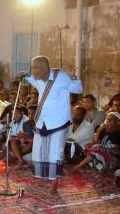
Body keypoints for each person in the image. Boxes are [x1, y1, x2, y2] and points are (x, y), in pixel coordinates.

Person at [23, 56, 82, 194]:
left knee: (55, 153)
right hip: (42, 121)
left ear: (44, 68)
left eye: (35, 68)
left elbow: (78, 89)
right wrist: (25, 75)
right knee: (39, 150)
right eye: (32, 67)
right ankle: (42, 176)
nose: (32, 70)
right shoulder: (38, 79)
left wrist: (73, 77)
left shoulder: (61, 77)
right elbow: (33, 80)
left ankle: (54, 182)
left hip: (58, 122)